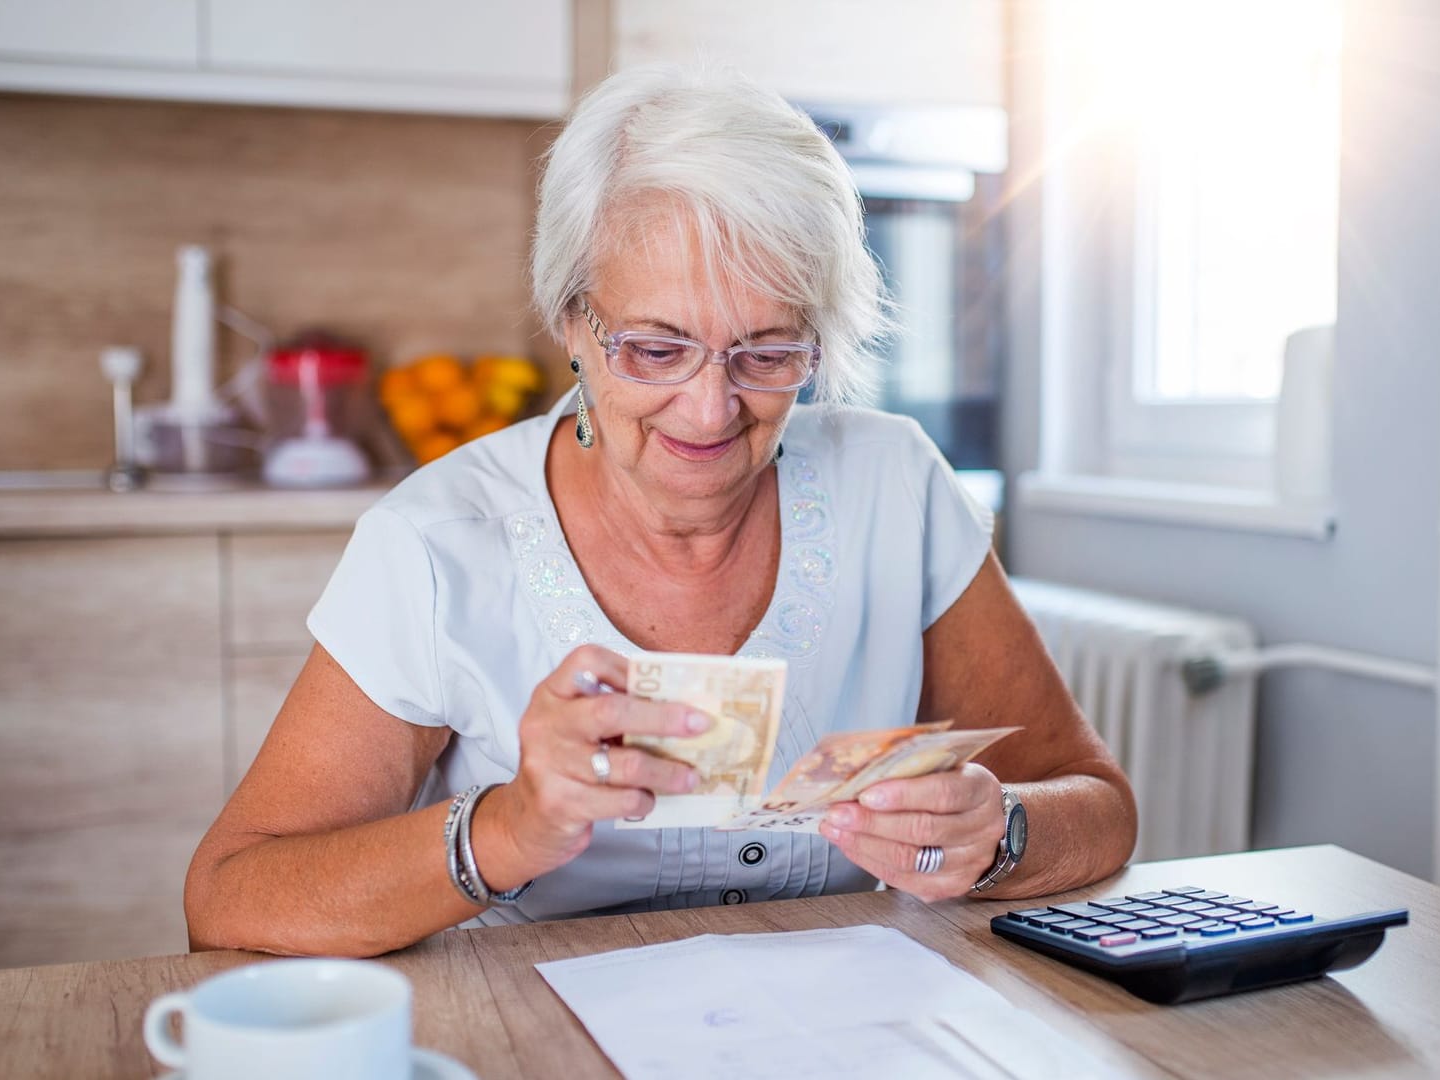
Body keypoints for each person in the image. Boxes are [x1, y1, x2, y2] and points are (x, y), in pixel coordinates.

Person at [184, 65, 1136, 957]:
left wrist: (997, 831)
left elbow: (1097, 805)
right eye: (654, 348)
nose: (710, 408)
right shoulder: (436, 542)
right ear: (571, 323)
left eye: (767, 353)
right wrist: (509, 827)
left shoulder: (896, 484)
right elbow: (230, 898)